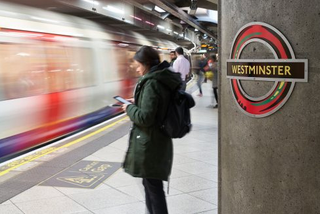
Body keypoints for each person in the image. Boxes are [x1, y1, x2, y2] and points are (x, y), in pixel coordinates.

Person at [122, 46, 182, 214]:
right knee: (151, 186)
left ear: (147, 64)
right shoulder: (160, 78)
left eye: (138, 64)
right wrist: (137, 100)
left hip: (151, 143)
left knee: (153, 188)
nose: (136, 68)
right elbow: (156, 105)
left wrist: (128, 108)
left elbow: (145, 117)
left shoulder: (152, 82)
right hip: (157, 140)